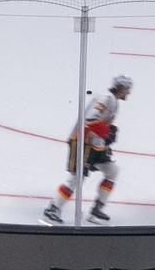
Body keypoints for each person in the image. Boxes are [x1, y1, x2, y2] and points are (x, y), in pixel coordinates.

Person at [43, 75, 131, 224]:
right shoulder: (106, 98)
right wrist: (106, 132)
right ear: (120, 88)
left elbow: (100, 124)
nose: (128, 93)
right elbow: (90, 120)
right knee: (76, 178)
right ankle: (53, 208)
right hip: (82, 142)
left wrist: (108, 132)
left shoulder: (113, 101)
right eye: (127, 89)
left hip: (95, 144)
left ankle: (97, 209)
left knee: (112, 171)